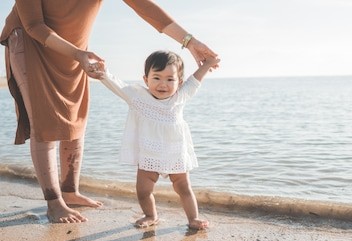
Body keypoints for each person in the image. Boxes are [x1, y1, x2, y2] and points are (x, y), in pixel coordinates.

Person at [0, 0, 218, 224]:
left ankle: (69, 191)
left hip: (76, 47)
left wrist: (190, 42)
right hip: (33, 41)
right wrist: (77, 54)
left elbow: (143, 6)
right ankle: (54, 203)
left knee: (75, 116)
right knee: (44, 119)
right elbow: (34, 25)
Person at [96, 50, 220, 229]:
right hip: (149, 152)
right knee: (143, 190)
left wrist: (207, 64)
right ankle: (150, 215)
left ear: (179, 82)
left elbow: (195, 81)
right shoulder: (138, 97)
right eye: (157, 78)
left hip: (175, 153)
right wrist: (104, 73)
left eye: (170, 79)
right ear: (146, 79)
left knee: (183, 188)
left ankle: (193, 218)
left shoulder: (179, 97)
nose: (163, 84)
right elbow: (118, 86)